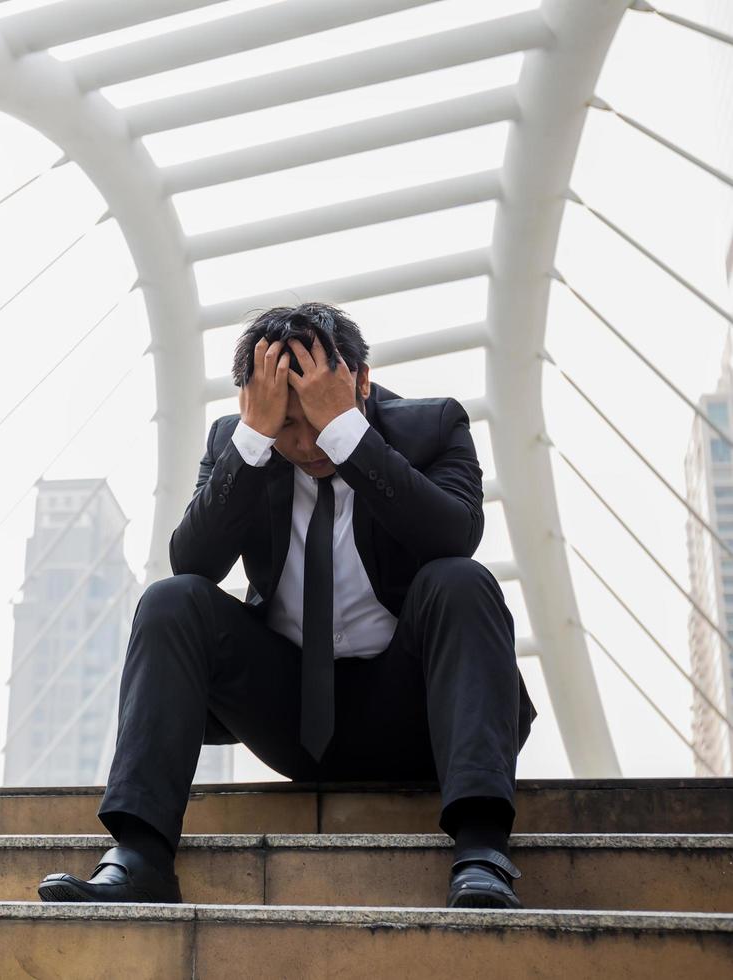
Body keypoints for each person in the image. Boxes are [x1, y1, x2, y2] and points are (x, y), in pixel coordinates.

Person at [36, 302, 537, 909]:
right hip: (292, 714)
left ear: (362, 380)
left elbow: (454, 536)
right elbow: (193, 563)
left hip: (415, 712)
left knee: (461, 579)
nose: (307, 441)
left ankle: (482, 852)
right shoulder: (238, 442)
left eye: (320, 413)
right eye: (287, 424)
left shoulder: (433, 427)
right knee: (171, 600)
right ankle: (140, 856)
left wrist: (348, 433)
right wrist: (253, 439)